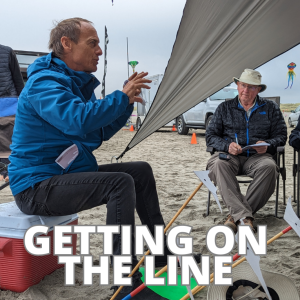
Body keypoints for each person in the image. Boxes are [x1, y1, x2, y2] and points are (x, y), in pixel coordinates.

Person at [8, 18, 199, 299]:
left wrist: (126, 102)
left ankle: (161, 252)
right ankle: (125, 279)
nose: (99, 51)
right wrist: (119, 97)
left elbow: (95, 132)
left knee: (140, 171)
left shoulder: (69, 83)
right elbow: (78, 121)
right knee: (119, 184)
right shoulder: (44, 84)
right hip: (35, 187)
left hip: (58, 176)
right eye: (92, 43)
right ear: (66, 44)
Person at [206, 69, 287, 233]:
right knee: (219, 164)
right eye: (243, 85)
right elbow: (211, 136)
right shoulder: (224, 108)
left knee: (270, 168)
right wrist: (227, 145)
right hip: (230, 156)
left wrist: (268, 145)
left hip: (259, 157)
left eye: (251, 87)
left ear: (258, 90)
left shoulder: (271, 108)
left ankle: (235, 217)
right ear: (237, 85)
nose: (246, 90)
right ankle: (244, 218)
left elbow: (281, 136)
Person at [0, 44, 24, 182]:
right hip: (8, 101)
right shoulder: (7, 51)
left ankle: (8, 170)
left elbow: (18, 80)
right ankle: (7, 170)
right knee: (8, 139)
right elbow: (18, 80)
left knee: (8, 138)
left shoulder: (7, 51)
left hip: (8, 103)